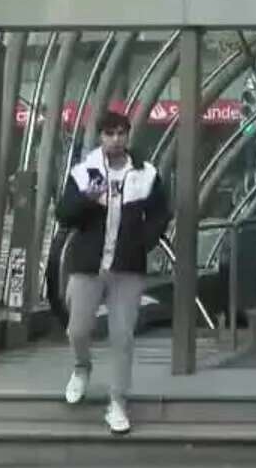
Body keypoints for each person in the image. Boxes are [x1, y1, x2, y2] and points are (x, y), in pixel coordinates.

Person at [55, 111, 172, 436]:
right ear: (101, 137)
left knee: (122, 337)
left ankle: (117, 402)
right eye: (110, 133)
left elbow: (161, 213)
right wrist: (89, 199)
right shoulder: (85, 172)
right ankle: (82, 367)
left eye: (121, 133)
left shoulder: (145, 174)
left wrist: (143, 242)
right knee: (77, 329)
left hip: (127, 267)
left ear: (128, 136)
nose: (116, 139)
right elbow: (64, 214)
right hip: (87, 264)